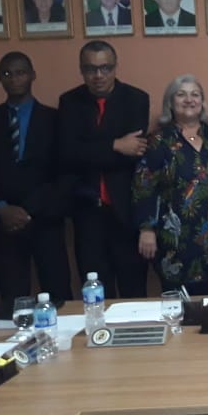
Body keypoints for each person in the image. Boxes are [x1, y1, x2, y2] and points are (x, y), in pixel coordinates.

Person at [0, 52, 71, 312]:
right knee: (12, 301)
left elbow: (65, 171)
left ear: (32, 75)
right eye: (7, 74)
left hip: (45, 218)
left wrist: (29, 211)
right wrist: (1, 208)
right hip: (4, 223)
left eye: (20, 72)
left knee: (59, 296)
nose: (14, 79)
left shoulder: (54, 118)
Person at [133, 75, 208, 295]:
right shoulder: (158, 140)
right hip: (178, 241)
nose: (189, 100)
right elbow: (144, 186)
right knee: (183, 307)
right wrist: (146, 229)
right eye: (181, 94)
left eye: (195, 94)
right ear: (170, 102)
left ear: (202, 102)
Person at [58, 40, 150, 298]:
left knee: (134, 292)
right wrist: (115, 144)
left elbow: (133, 153)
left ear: (115, 67)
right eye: (90, 69)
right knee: (95, 294)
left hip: (126, 212)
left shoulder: (136, 99)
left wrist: (89, 148)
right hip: (87, 212)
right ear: (81, 70)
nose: (98, 75)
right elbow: (66, 154)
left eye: (105, 68)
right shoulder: (69, 102)